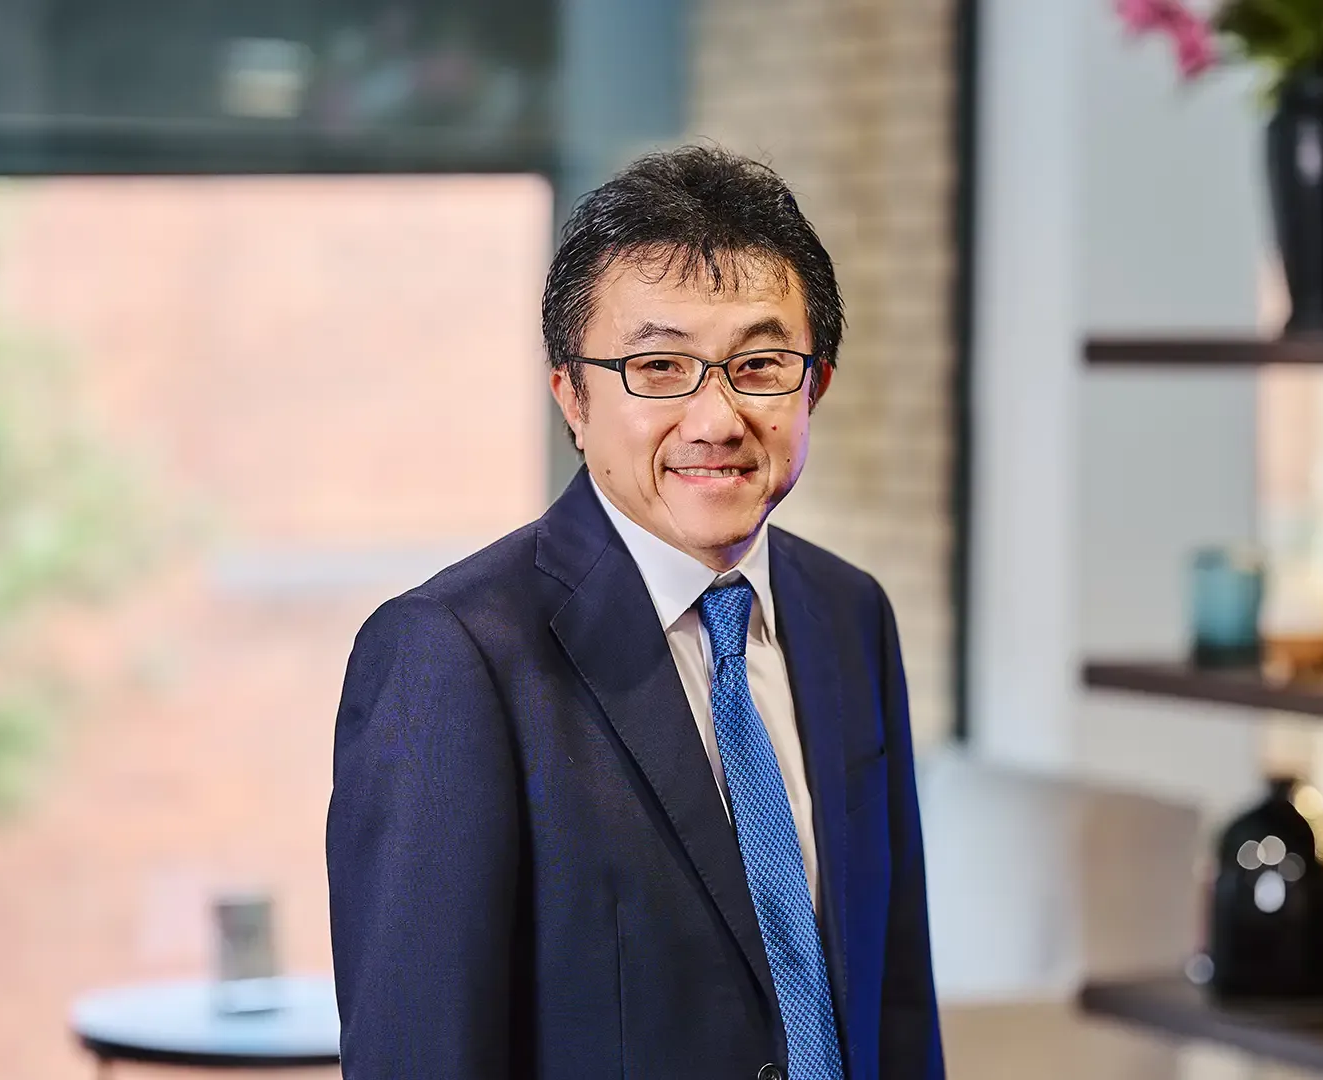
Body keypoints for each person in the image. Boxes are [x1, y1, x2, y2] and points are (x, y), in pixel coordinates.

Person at [326, 144, 945, 1080]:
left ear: (815, 384)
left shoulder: (851, 615)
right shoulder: (452, 656)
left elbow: (895, 1003)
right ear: (571, 398)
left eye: (761, 364)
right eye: (659, 367)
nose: (717, 419)